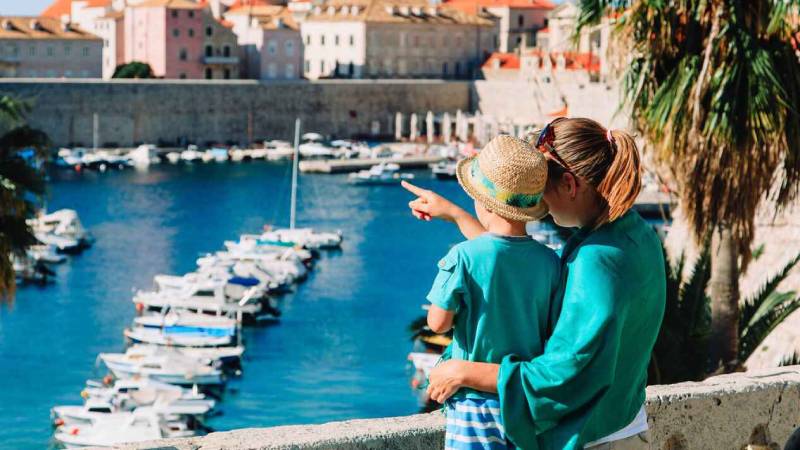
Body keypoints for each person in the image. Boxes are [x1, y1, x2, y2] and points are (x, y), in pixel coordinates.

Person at [402, 117, 666, 450]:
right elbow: (512, 260)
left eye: (543, 189)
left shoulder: (595, 262)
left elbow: (561, 377)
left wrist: (462, 372)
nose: (538, 204)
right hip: (624, 423)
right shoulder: (635, 235)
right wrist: (457, 215)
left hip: (592, 439)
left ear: (570, 185)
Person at [425, 135, 561, 450]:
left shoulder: (462, 256)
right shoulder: (551, 262)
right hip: (522, 402)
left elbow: (438, 324)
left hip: (472, 403)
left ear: (483, 201)